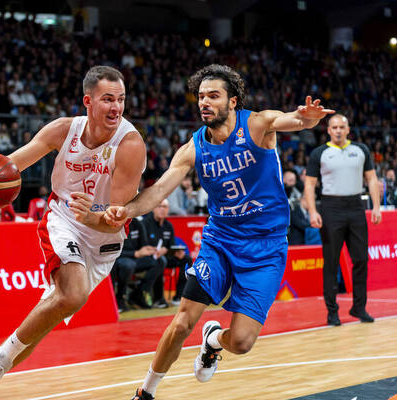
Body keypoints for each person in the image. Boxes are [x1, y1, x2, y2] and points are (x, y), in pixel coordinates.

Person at [101, 64, 334, 400]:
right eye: (200, 97)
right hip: (220, 241)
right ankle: (146, 392)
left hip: (266, 248)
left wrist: (308, 117)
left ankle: (212, 341)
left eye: (213, 95)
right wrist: (128, 210)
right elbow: (159, 189)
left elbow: (295, 121)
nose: (204, 102)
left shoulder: (257, 125)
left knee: (241, 342)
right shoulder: (193, 148)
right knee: (182, 322)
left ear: (233, 101)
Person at [0, 65, 146, 400]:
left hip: (105, 235)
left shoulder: (130, 145)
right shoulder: (62, 130)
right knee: (73, 295)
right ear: (88, 101)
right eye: (107, 99)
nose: (116, 107)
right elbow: (9, 166)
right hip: (64, 220)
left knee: (49, 316)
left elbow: (116, 216)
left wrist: (95, 215)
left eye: (121, 99)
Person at [303, 114, 381, 327]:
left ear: (348, 129)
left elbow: (372, 179)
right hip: (330, 208)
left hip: (356, 206)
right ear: (328, 130)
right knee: (331, 262)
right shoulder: (319, 153)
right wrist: (312, 211)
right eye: (334, 127)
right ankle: (332, 312)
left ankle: (359, 307)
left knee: (361, 260)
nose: (338, 130)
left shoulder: (361, 150)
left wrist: (376, 206)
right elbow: (309, 185)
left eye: (341, 127)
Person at [113, 217, 159, 312]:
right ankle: (119, 297)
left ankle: (138, 294)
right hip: (119, 258)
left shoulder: (137, 223)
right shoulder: (115, 223)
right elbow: (112, 250)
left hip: (135, 258)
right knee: (128, 265)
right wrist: (135, 253)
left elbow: (143, 244)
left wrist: (149, 249)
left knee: (159, 261)